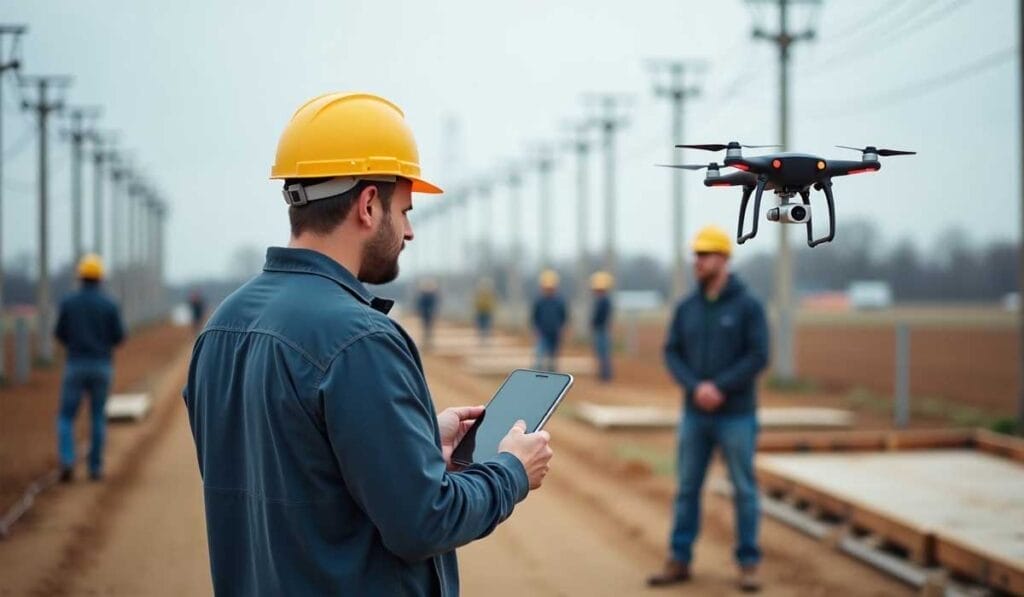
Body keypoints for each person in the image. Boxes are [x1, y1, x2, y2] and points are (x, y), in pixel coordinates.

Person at [183, 92, 553, 596]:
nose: (409, 231)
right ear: (368, 205)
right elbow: (424, 521)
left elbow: (300, 473)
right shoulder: (360, 340)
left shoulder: (221, 327)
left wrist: (415, 444)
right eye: (404, 210)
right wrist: (510, 471)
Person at [648, 226, 769, 592]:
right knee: (687, 488)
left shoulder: (748, 306)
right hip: (695, 415)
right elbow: (672, 352)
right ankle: (679, 559)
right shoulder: (687, 307)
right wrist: (695, 386)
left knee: (744, 489)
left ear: (724, 259)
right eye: (696, 255)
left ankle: (748, 563)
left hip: (737, 414)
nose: (698, 262)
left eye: (705, 255)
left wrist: (720, 386)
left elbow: (758, 355)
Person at [54, 254, 125, 482]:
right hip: (102, 365)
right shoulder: (110, 304)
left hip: (75, 364)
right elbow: (119, 336)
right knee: (97, 417)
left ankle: (67, 460)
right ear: (100, 278)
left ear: (80, 277)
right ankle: (94, 468)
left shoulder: (68, 302)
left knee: (66, 417)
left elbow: (59, 333)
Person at [531, 269, 568, 371]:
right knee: (539, 354)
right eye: (547, 288)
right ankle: (536, 374)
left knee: (553, 357)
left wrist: (562, 329)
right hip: (543, 332)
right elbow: (535, 316)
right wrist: (536, 329)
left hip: (555, 333)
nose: (549, 290)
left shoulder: (559, 301)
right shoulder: (539, 301)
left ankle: (553, 375)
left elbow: (564, 316)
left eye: (551, 288)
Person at [589, 271, 615, 382]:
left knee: (603, 353)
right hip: (601, 329)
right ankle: (604, 374)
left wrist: (594, 323)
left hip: (601, 329)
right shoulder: (603, 300)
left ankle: (605, 375)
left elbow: (600, 316)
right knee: (602, 353)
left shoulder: (603, 301)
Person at [415, 278, 439, 351]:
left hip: (428, 313)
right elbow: (420, 304)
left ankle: (428, 342)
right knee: (427, 328)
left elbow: (434, 304)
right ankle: (427, 342)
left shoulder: (428, 295)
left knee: (428, 328)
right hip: (426, 313)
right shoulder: (428, 295)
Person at [473, 277, 496, 345]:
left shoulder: (490, 294)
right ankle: (482, 340)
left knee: (487, 327)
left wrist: (491, 308)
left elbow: (493, 302)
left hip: (487, 312)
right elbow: (475, 302)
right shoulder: (478, 294)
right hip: (480, 312)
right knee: (481, 327)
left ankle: (486, 340)